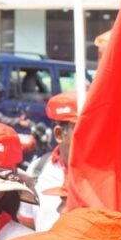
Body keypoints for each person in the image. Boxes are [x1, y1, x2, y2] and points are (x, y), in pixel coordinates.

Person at [33, 91, 77, 231]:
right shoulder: (37, 170)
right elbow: (28, 224)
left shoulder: (112, 177)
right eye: (82, 129)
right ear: (59, 134)